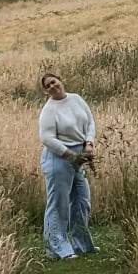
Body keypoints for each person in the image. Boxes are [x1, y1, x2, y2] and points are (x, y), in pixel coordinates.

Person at [38, 70, 96, 259]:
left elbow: (90, 122)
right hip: (59, 158)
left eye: (54, 82)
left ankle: (81, 244)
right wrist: (70, 155)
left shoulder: (76, 99)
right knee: (59, 203)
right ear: (46, 91)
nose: (52, 87)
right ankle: (57, 247)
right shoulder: (49, 110)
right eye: (48, 86)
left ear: (60, 81)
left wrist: (88, 144)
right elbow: (46, 138)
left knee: (82, 200)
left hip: (79, 155)